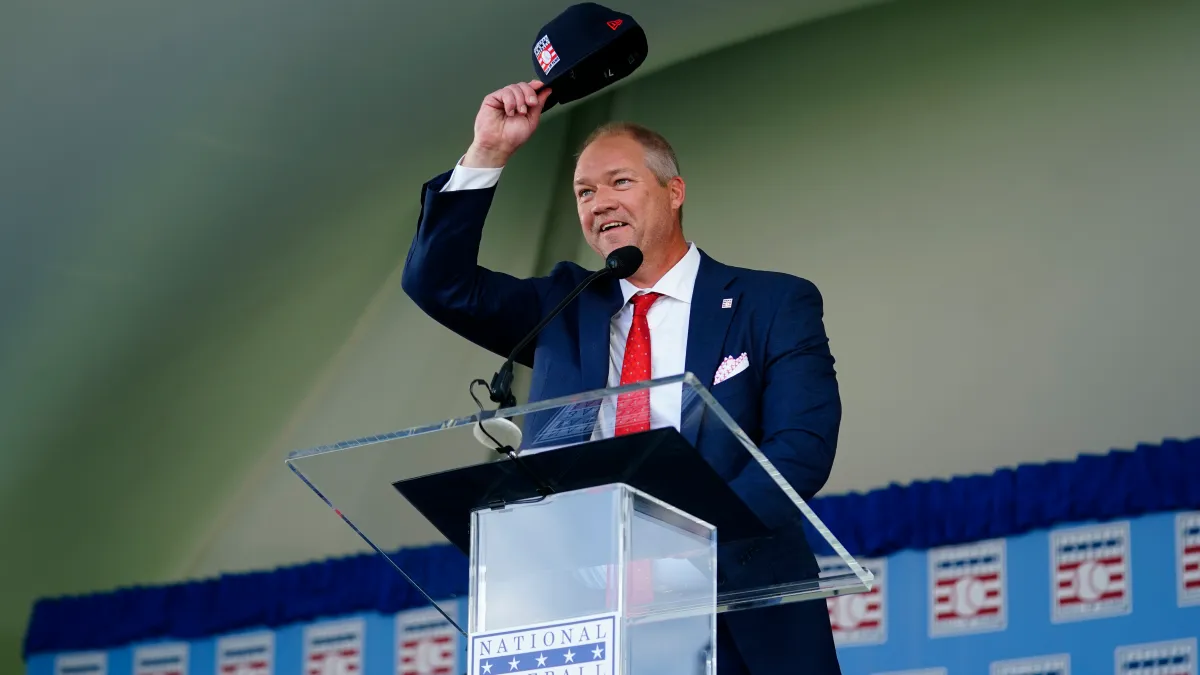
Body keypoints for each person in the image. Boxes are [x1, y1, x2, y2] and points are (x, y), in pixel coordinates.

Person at [402, 79, 843, 675]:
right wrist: (488, 152)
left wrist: (681, 540)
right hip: (580, 621)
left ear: (675, 191)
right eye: (584, 191)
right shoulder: (564, 307)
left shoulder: (772, 302)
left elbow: (800, 451)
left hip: (737, 611)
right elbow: (438, 284)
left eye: (620, 182)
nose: (599, 202)